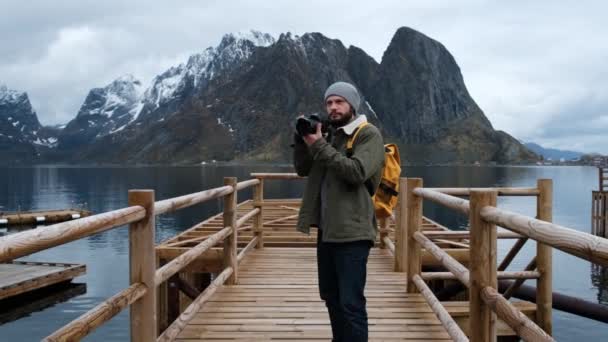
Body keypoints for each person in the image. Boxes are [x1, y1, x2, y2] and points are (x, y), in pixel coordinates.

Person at [293, 81, 385, 341]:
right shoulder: (331, 137)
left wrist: (319, 144)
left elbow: (356, 172)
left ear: (351, 105)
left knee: (351, 303)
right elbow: (302, 169)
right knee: (331, 298)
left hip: (354, 233)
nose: (333, 108)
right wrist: (302, 141)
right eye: (329, 103)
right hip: (328, 230)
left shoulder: (368, 135)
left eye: (339, 102)